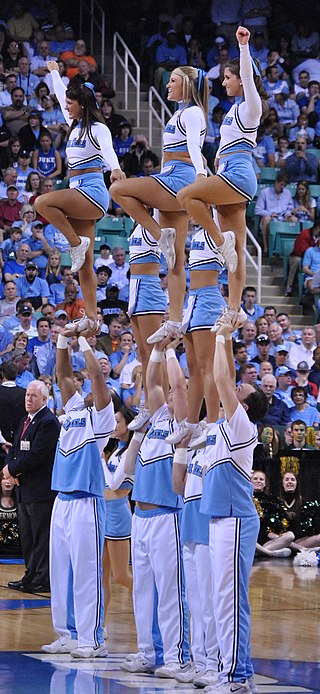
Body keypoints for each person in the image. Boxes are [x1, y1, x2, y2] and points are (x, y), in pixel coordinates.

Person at [177, 26, 268, 333]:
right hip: (230, 174)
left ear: (242, 80)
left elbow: (249, 78)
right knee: (236, 253)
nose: (224, 81)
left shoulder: (250, 106)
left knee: (187, 196)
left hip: (239, 175)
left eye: (228, 78)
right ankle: (234, 309)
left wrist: (243, 47)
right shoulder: (232, 109)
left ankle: (218, 240)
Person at [110, 64, 209, 342]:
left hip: (180, 178)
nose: (167, 85)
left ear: (186, 86)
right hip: (174, 175)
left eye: (173, 81)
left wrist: (200, 175)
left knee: (118, 190)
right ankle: (176, 320)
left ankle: (156, 233)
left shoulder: (192, 112)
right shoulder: (181, 112)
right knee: (175, 260)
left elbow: (193, 146)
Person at [200, 315, 268, 690]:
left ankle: (238, 675)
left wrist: (224, 336)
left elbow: (224, 380)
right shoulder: (225, 425)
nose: (240, 385)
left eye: (245, 388)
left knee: (230, 600)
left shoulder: (243, 427)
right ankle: (230, 669)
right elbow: (218, 379)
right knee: (220, 599)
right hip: (220, 519)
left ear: (246, 404)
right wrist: (220, 340)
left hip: (236, 520)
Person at [41, 324, 115, 658]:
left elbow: (98, 381)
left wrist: (84, 340)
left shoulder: (102, 419)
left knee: (87, 571)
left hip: (87, 501)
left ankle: (92, 638)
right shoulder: (72, 410)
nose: (82, 386)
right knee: (60, 572)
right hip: (62, 499)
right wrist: (63, 337)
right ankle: (67, 633)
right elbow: (61, 373)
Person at [34, 60, 124, 332]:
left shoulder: (98, 129)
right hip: (78, 191)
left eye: (71, 104)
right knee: (85, 267)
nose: (66, 106)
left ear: (82, 105)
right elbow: (62, 95)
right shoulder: (74, 124)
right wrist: (53, 72)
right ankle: (91, 316)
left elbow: (109, 152)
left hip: (93, 191)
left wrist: (117, 170)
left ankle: (74, 243)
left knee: (42, 202)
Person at [122, 335, 189, 676]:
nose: (173, 396)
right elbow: (152, 382)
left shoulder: (184, 424)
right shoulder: (158, 418)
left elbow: (176, 385)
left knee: (170, 591)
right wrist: (157, 351)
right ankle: (147, 652)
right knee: (143, 590)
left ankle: (176, 657)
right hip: (141, 516)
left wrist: (172, 351)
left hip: (167, 515)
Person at [4, 380, 60, 592]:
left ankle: (43, 578)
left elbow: (37, 455)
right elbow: (15, 448)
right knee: (27, 537)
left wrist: (13, 470)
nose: (28, 399)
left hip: (41, 490)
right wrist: (11, 468)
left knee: (41, 536)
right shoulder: (26, 420)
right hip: (24, 488)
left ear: (45, 400)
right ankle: (30, 575)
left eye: (34, 396)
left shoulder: (48, 422)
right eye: (27, 395)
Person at [102, 406, 134, 633]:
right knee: (101, 573)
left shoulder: (132, 452)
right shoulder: (117, 450)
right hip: (106, 511)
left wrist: (98, 459)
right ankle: (99, 626)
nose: (114, 426)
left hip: (118, 515)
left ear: (128, 425)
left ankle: (155, 605)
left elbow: (113, 484)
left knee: (122, 576)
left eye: (117, 421)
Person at [251, 470, 294, 558]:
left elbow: (275, 525)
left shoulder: (272, 501)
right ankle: (269, 553)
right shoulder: (245, 498)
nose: (258, 481)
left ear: (265, 483)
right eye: (255, 479)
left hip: (266, 541)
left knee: (290, 536)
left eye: (261, 479)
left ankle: (259, 552)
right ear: (250, 481)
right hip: (250, 537)